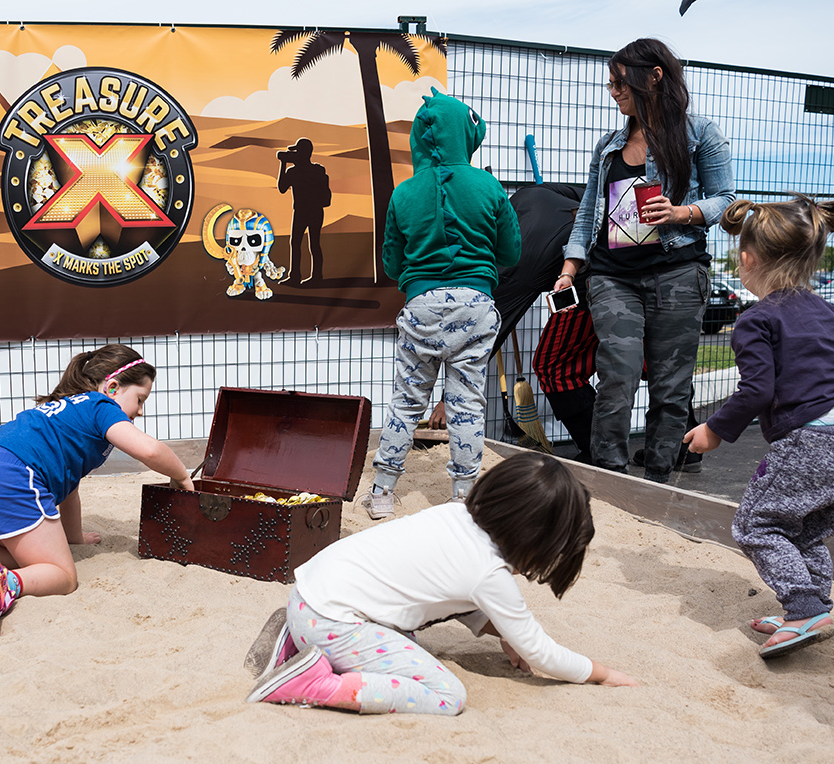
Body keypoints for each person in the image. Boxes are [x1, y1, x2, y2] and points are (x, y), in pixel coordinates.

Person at [245, 452, 636, 715]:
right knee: (448, 695)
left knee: (409, 644)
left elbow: (453, 596)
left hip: (308, 598)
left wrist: (503, 631)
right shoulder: (488, 573)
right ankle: (314, 684)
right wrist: (601, 673)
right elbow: (540, 651)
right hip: (333, 621)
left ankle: (293, 644)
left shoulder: (455, 516)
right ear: (533, 539)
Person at [683, 196, 834, 659]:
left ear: (747, 260)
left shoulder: (756, 319)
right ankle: (812, 607)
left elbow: (756, 390)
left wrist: (713, 430)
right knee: (804, 531)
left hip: (812, 442)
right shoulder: (829, 312)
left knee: (757, 524)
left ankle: (803, 608)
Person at [0, 344, 195, 638]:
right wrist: (181, 476)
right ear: (112, 387)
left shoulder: (63, 409)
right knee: (62, 576)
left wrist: (73, 537)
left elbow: (68, 487)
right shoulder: (101, 406)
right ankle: (3, 585)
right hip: (10, 476)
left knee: (28, 552)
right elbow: (150, 450)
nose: (139, 411)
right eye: (140, 399)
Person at [557, 37, 735, 483]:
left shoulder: (701, 133)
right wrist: (569, 269)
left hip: (679, 272)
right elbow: (587, 213)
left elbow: (726, 199)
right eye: (611, 84)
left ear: (654, 77)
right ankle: (609, 477)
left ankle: (658, 480)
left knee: (671, 387)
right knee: (617, 375)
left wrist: (682, 213)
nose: (614, 92)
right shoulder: (608, 146)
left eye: (620, 83)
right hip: (612, 277)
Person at [363, 89, 521, 518]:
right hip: (476, 305)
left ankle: (382, 493)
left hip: (422, 306)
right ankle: (463, 497)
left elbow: (392, 263)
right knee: (466, 402)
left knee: (407, 400)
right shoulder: (488, 186)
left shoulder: (404, 194)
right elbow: (511, 252)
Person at [276, 137, 331, 285]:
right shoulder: (317, 170)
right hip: (312, 211)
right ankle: (308, 276)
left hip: (304, 211)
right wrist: (285, 163)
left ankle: (302, 277)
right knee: (309, 243)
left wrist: (283, 164)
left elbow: (281, 187)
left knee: (303, 243)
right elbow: (282, 188)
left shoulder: (295, 171)